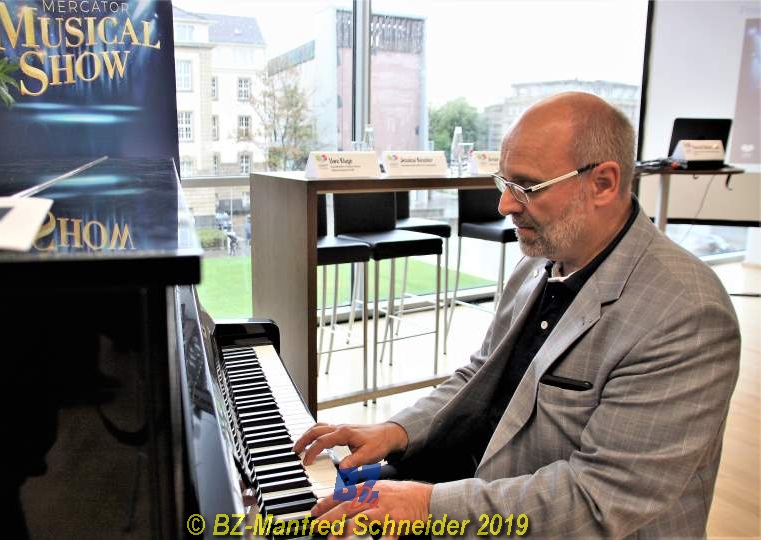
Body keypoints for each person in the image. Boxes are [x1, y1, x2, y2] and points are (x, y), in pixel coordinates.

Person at [293, 92, 741, 538]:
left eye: (526, 187)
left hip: (546, 521)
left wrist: (426, 505)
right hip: (474, 485)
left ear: (603, 183)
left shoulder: (687, 314)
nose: (504, 205)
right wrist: (396, 431)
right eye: (503, 182)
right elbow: (480, 372)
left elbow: (599, 500)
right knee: (304, 515)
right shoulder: (541, 260)